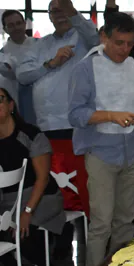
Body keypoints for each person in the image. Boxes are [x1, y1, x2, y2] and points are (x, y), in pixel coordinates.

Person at [68, 12, 134, 266]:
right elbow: (76, 114)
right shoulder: (85, 67)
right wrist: (112, 116)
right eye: (119, 43)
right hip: (101, 153)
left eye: (129, 44)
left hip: (132, 151)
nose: (124, 50)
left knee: (126, 222)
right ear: (104, 37)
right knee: (102, 223)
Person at [16, 0, 100, 219]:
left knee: (82, 182)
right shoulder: (38, 45)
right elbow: (22, 75)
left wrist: (73, 12)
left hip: (76, 124)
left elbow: (94, 34)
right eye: (55, 11)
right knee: (52, 184)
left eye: (64, 10)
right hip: (46, 125)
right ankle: (55, 230)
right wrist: (50, 64)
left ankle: (91, 231)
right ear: (49, 16)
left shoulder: (83, 38)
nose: (60, 15)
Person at [0, 88, 74, 266]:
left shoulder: (31, 135)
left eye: (0, 99)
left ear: (11, 105)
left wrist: (27, 211)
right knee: (4, 230)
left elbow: (42, 178)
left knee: (21, 234)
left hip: (41, 196)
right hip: (7, 200)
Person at [0, 10, 37, 125]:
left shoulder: (40, 46)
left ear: (24, 24)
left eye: (18, 23)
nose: (16, 28)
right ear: (5, 29)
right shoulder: (2, 56)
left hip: (42, 107)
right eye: (11, 25)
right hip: (15, 111)